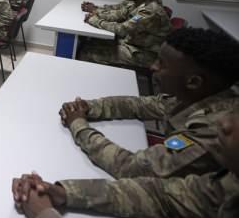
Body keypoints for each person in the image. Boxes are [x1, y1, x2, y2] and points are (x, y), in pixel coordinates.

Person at [12, 109, 239, 218]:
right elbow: (162, 195)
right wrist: (64, 192)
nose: (224, 122)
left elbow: (132, 168)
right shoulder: (231, 184)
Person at [60, 27, 239, 179]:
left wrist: (78, 124)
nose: (153, 67)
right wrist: (89, 107)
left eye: (162, 64)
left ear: (193, 82)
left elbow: (130, 168)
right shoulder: (194, 95)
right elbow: (140, 105)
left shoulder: (214, 130)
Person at [78, 0, 170, 68]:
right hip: (131, 43)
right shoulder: (136, 4)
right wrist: (95, 11)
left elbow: (123, 29)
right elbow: (116, 15)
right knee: (90, 42)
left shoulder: (149, 11)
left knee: (87, 52)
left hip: (144, 53)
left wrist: (95, 20)